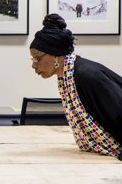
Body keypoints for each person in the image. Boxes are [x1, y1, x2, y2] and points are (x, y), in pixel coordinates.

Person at [29, 13, 122, 159]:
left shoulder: (87, 76)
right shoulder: (67, 77)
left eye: (37, 57)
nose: (34, 65)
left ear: (55, 56)